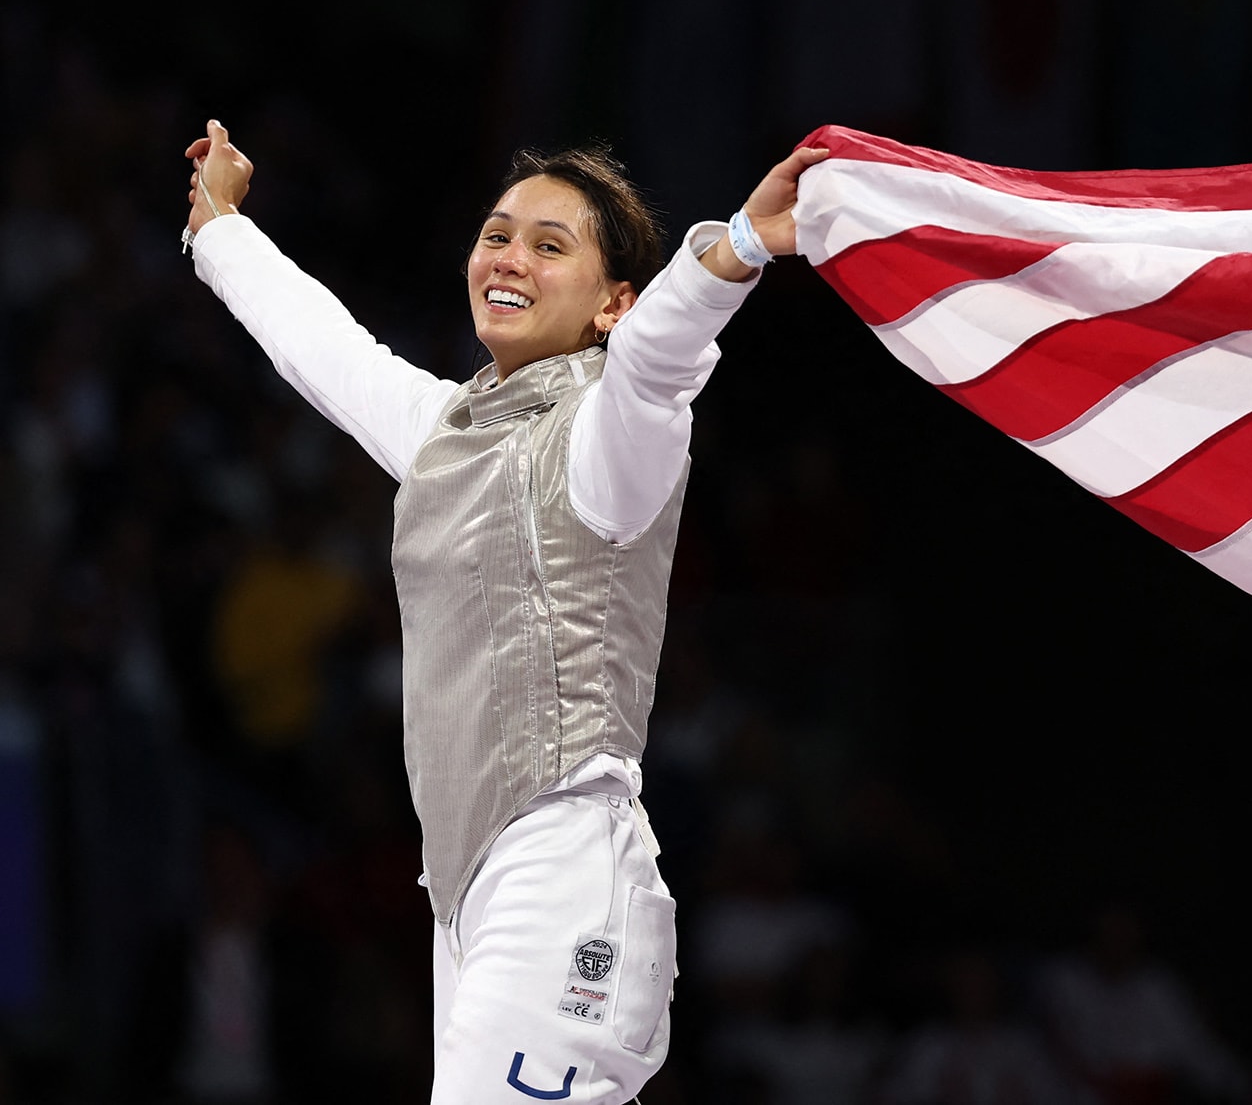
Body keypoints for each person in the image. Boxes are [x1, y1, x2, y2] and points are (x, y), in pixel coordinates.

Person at [180, 121, 830, 1103]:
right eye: (496, 234)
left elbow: (661, 361)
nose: (509, 257)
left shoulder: (616, 438)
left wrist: (733, 249)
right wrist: (218, 227)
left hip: (564, 874)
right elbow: (325, 349)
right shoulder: (448, 435)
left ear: (615, 302)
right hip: (472, 898)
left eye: (549, 244)